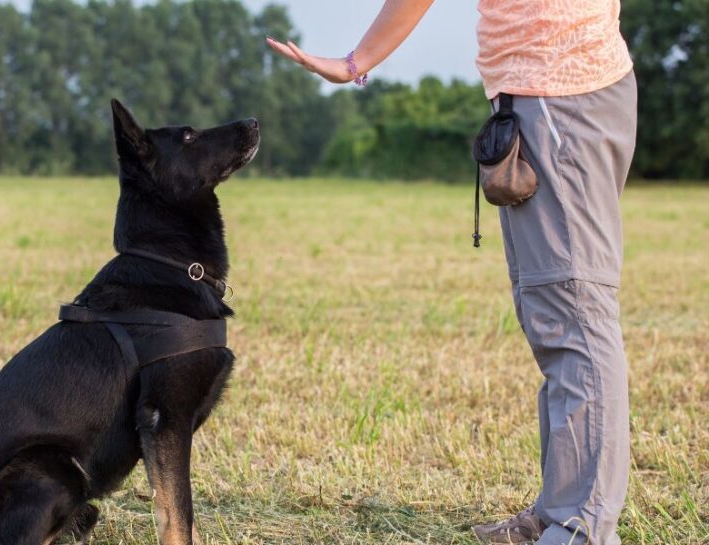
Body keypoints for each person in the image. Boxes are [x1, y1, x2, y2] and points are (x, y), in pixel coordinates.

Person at [267, 2, 636, 545]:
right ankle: (560, 510)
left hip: (562, 97)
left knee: (575, 313)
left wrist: (355, 62)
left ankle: (584, 525)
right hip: (549, 96)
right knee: (554, 317)